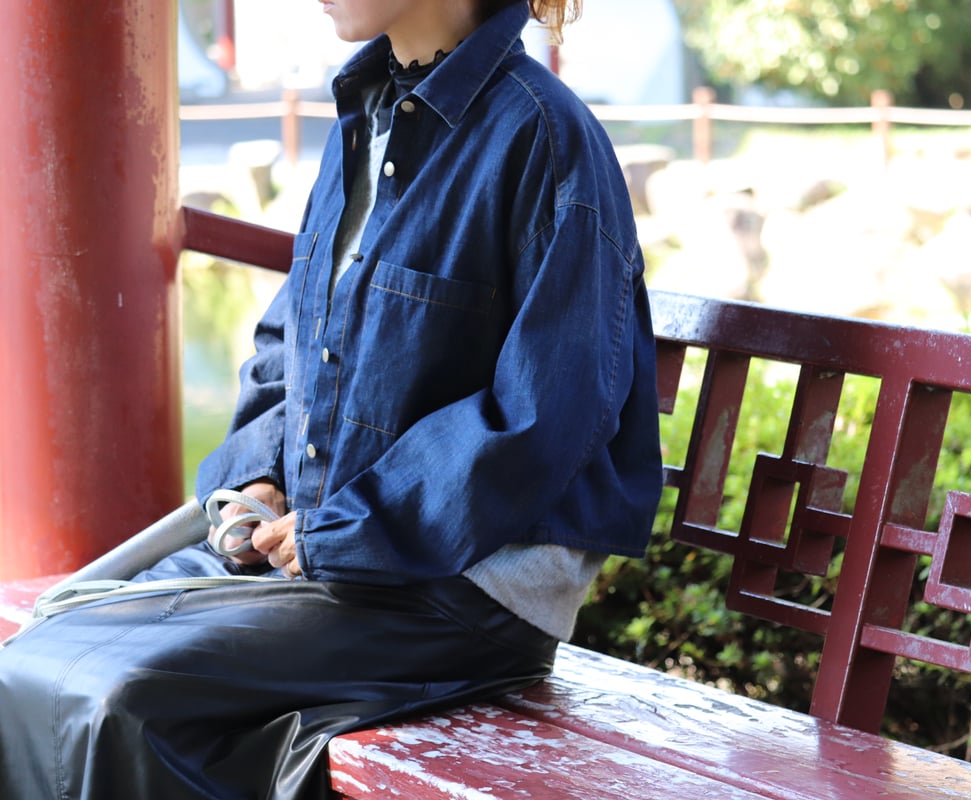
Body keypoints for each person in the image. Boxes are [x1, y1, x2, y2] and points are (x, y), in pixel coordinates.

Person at [0, 0, 662, 797]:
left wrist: (341, 532)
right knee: (41, 653)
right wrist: (259, 475)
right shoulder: (370, 113)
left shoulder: (545, 137)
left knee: (121, 695)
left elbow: (544, 418)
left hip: (462, 592)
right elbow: (295, 336)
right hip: (337, 558)